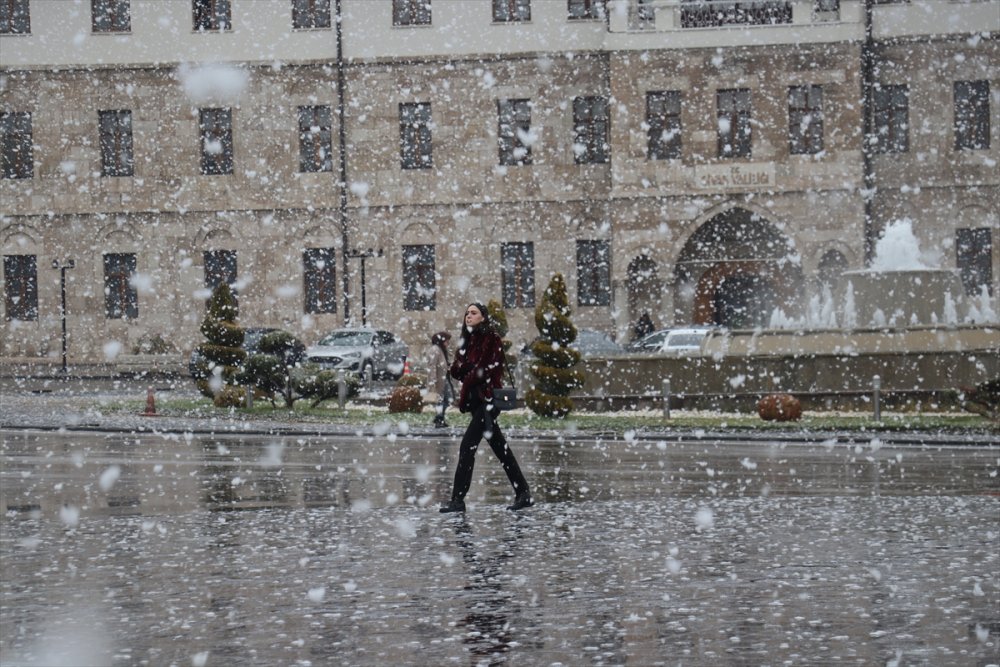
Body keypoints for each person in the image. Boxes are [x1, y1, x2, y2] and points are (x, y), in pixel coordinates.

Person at [440, 302, 533, 513]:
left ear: (483, 317)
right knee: (501, 449)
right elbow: (455, 371)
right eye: (467, 313)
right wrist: (467, 368)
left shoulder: (491, 339)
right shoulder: (467, 340)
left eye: (473, 313)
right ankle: (523, 493)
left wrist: (468, 369)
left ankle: (458, 500)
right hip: (475, 403)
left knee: (467, 447)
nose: (469, 316)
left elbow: (484, 370)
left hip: (489, 401)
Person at [425, 330, 455, 428]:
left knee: (448, 398)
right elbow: (432, 366)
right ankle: (439, 419)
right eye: (446, 340)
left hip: (444, 379)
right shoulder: (435, 349)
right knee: (441, 400)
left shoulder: (441, 350)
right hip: (439, 380)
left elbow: (443, 364)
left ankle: (439, 417)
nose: (448, 343)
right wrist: (433, 380)